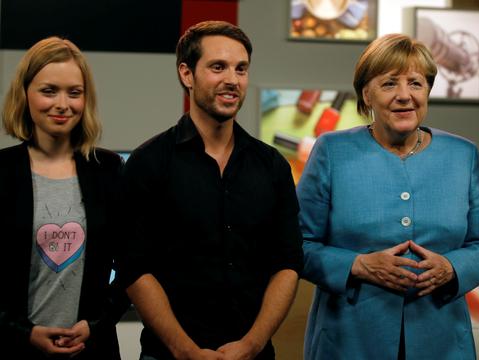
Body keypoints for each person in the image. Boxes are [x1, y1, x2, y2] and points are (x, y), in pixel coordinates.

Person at [296, 33, 479, 359]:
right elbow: (298, 244)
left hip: (441, 340)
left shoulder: (463, 155)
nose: (405, 96)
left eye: (415, 83)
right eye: (389, 84)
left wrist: (452, 267)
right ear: (366, 94)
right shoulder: (331, 151)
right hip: (349, 340)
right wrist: (357, 265)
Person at [117, 21, 303, 360]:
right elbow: (134, 267)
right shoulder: (149, 162)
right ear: (187, 75)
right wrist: (185, 350)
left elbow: (287, 263)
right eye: (218, 67)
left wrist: (252, 344)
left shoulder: (272, 165)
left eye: (241, 69)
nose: (232, 79)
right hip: (167, 355)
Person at [0, 36, 130, 359]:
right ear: (25, 93)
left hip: (92, 350)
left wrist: (97, 324)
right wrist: (24, 334)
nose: (62, 104)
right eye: (49, 91)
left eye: (74, 92)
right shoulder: (1, 172)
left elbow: (132, 263)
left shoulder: (109, 169)